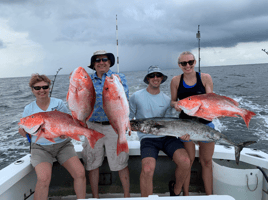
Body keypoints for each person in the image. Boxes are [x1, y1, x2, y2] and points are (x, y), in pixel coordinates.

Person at [18, 74, 86, 200]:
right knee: (43, 179)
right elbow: (26, 128)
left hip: (63, 145)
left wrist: (67, 132)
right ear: (32, 90)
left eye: (45, 87)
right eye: (37, 88)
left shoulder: (58, 103)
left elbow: (68, 121)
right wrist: (23, 132)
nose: (41, 90)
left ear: (49, 88)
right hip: (40, 148)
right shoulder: (29, 109)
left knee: (80, 173)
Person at [129, 66, 190, 197]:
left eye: (158, 75)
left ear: (162, 78)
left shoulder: (168, 100)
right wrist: (127, 127)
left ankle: (176, 190)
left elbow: (174, 123)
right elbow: (128, 118)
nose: (155, 78)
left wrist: (182, 134)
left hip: (168, 137)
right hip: (148, 138)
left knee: (185, 161)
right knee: (147, 169)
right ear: (147, 79)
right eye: (152, 75)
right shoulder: (136, 96)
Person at [82, 50, 130, 198]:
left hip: (113, 126)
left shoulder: (118, 78)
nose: (101, 62)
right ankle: (95, 197)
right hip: (92, 126)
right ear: (93, 64)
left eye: (104, 59)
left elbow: (125, 99)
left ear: (109, 63)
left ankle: (127, 196)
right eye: (98, 60)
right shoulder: (87, 80)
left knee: (121, 162)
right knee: (92, 163)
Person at [170, 51, 215, 195]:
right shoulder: (176, 81)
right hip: (186, 126)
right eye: (184, 63)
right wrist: (175, 105)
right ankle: (186, 195)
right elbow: (172, 101)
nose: (187, 65)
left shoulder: (206, 78)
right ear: (179, 65)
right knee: (187, 163)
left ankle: (210, 195)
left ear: (195, 62)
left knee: (206, 162)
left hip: (205, 125)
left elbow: (210, 99)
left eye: (190, 62)